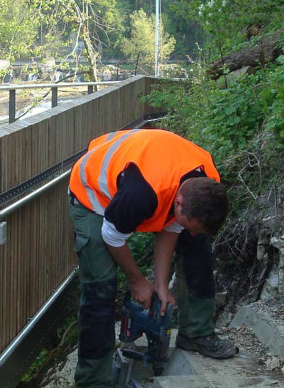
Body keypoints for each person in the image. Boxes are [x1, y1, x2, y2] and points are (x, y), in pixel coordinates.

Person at [68, 128, 236, 387]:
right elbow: (112, 236)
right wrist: (137, 281)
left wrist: (159, 285)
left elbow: (172, 228)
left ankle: (197, 332)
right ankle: (93, 379)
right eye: (187, 222)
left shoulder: (207, 183)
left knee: (197, 242)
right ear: (178, 203)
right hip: (92, 193)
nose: (187, 229)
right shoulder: (142, 193)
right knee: (99, 287)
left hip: (151, 172)